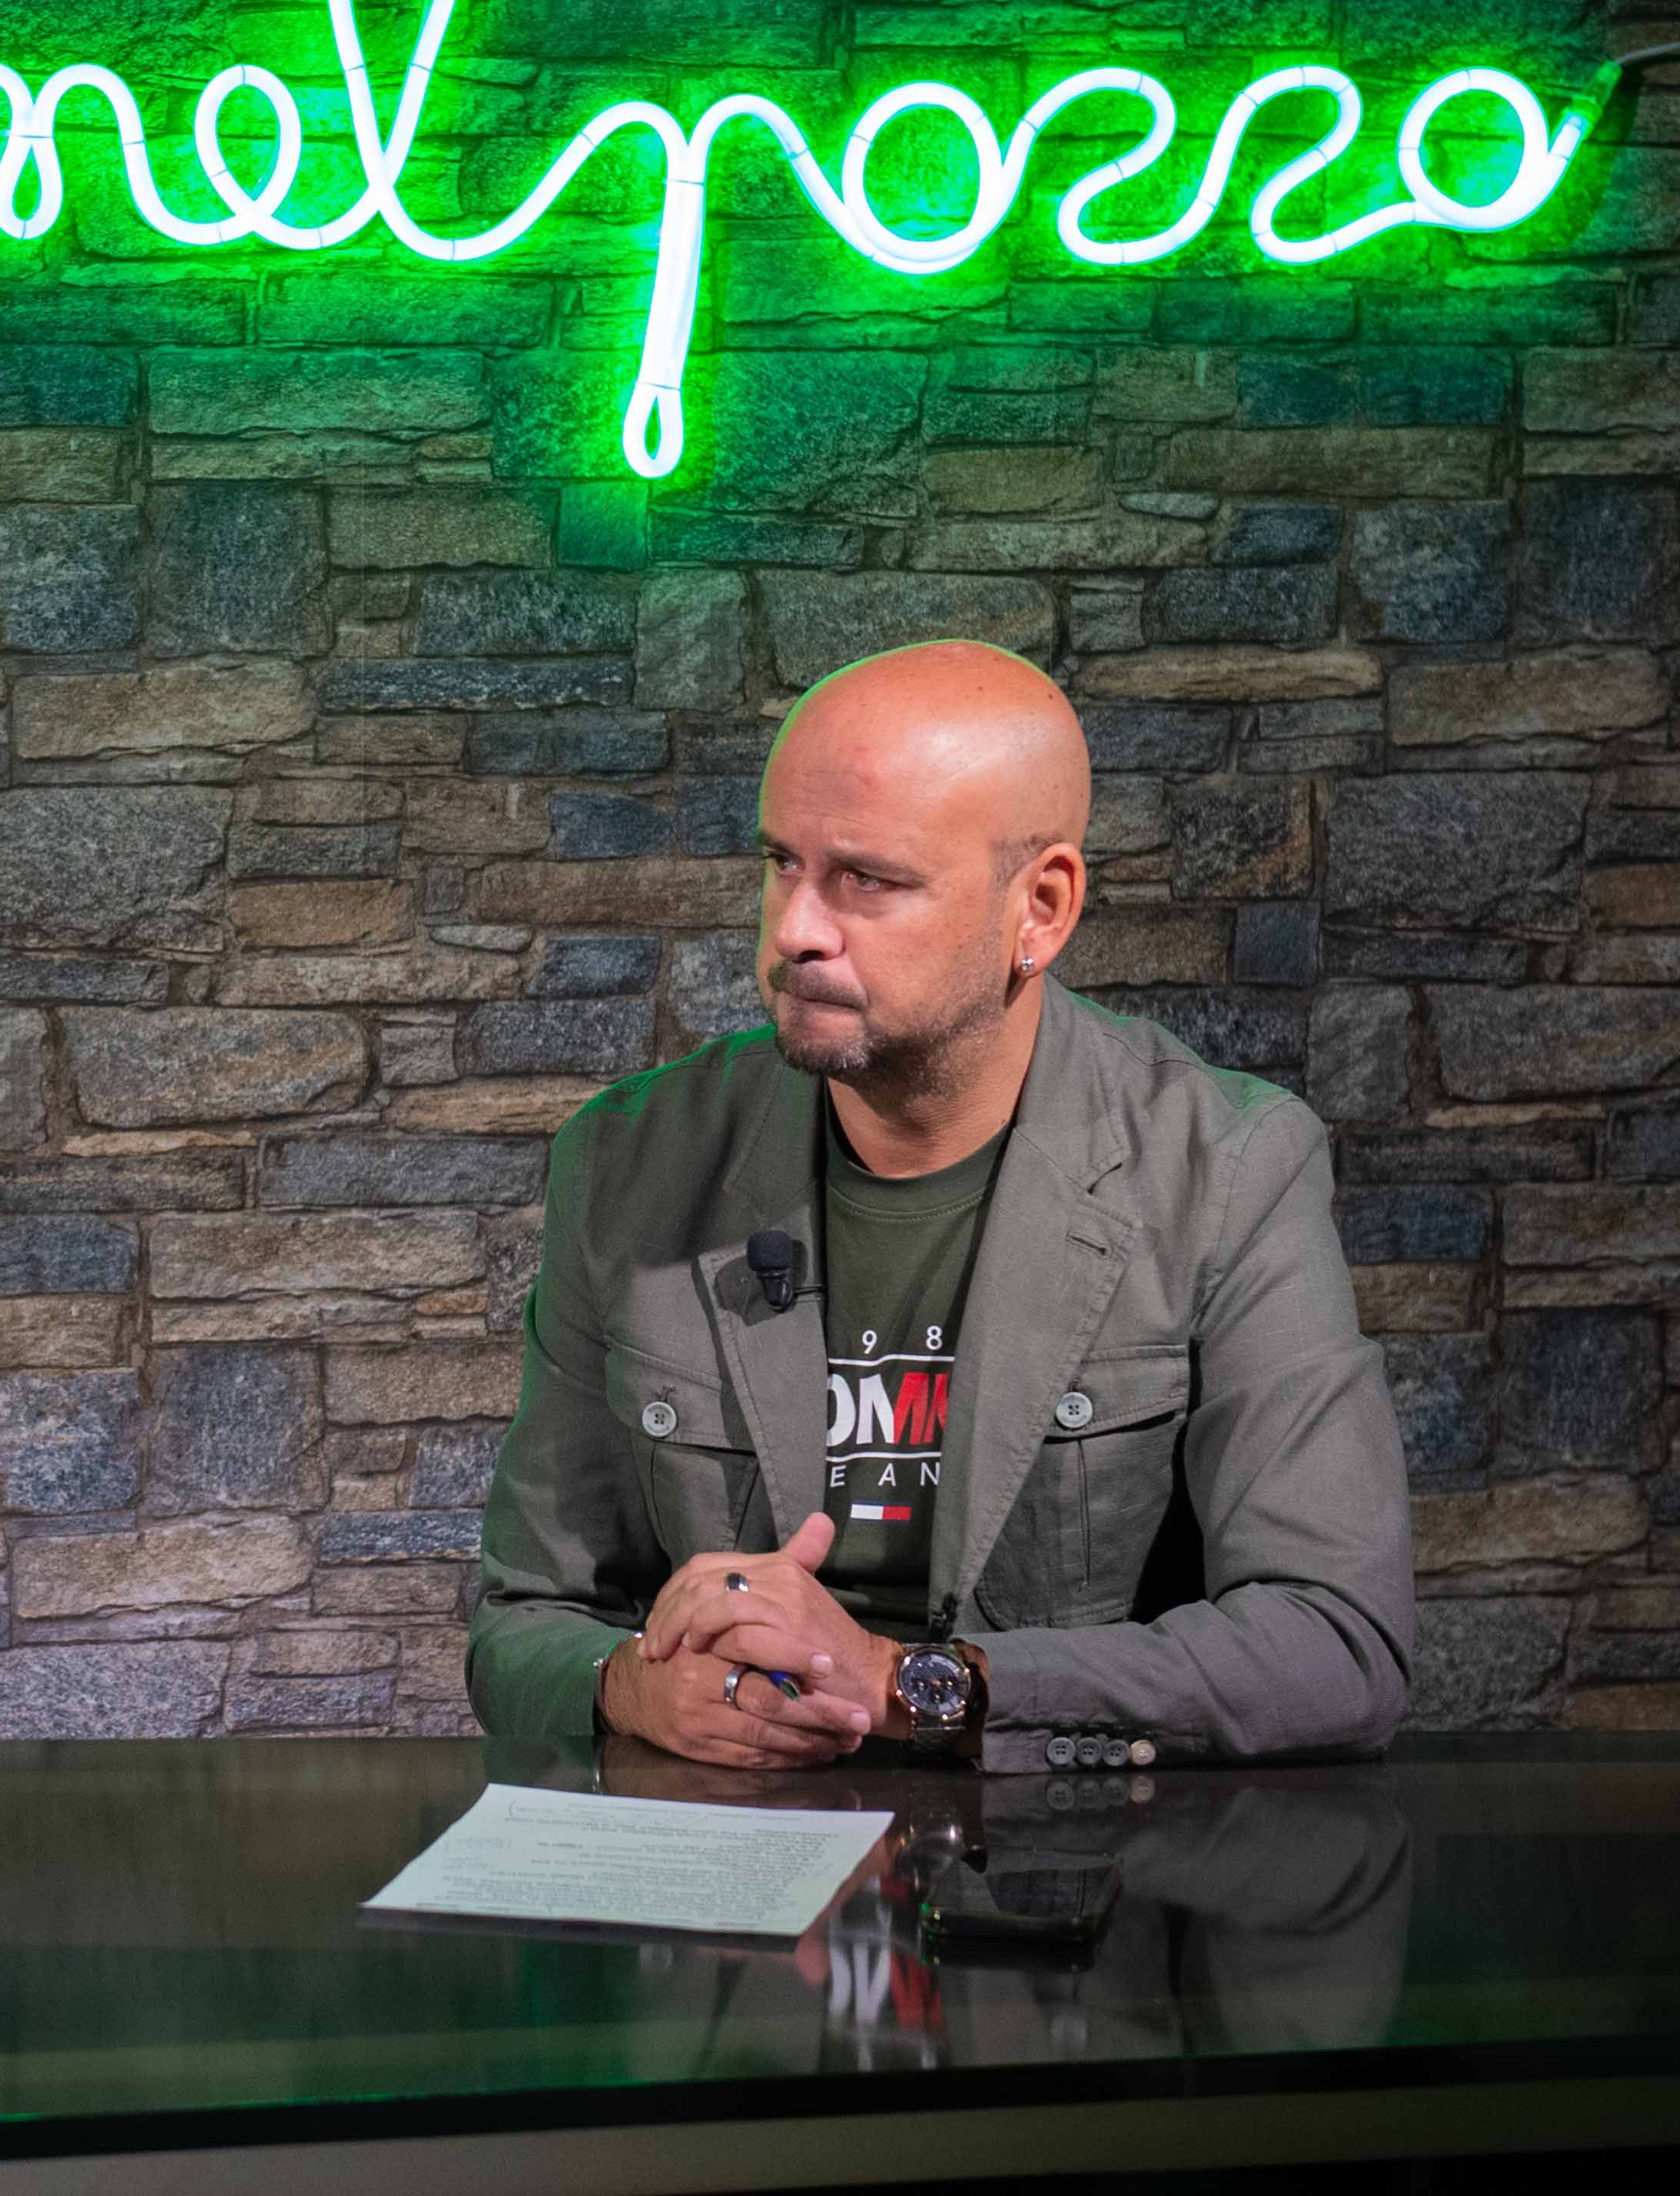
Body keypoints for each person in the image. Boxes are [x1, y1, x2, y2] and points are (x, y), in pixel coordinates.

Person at [469, 640, 1412, 1776]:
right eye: (781, 863)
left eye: (868, 880)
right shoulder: (627, 1161)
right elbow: (523, 1622)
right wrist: (635, 1686)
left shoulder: (1228, 1169)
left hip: (1069, 1847)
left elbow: (1336, 1644)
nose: (795, 929)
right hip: (742, 1840)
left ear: (1041, 910)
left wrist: (907, 1686)